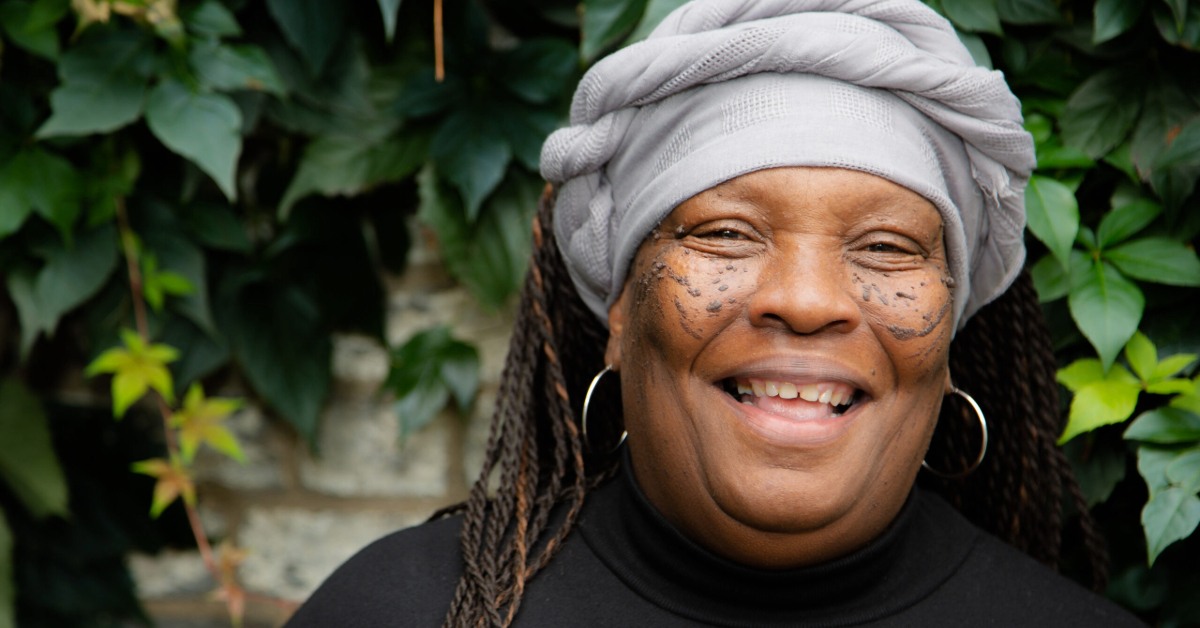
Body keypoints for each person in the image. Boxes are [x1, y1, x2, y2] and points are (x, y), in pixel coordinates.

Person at [287, 0, 1145, 625]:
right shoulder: (400, 612)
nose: (806, 301)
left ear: (952, 327)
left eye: (887, 248)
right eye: (727, 234)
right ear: (620, 307)